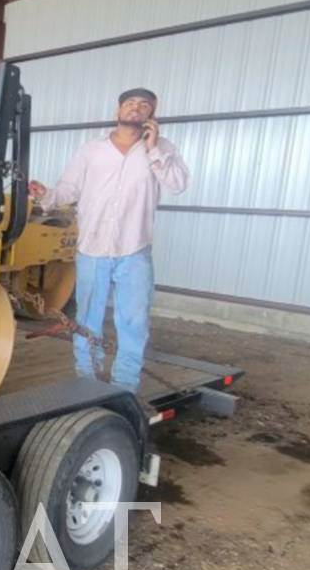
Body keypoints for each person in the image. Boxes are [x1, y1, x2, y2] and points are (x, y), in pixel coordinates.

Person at [28, 87, 189, 391]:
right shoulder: (91, 150)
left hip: (134, 249)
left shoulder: (164, 148)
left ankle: (125, 386)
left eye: (144, 105)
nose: (136, 109)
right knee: (87, 317)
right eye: (130, 104)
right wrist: (47, 195)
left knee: (134, 322)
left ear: (152, 115)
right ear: (118, 111)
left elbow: (178, 184)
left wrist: (154, 149)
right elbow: (69, 189)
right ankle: (87, 378)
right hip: (93, 248)